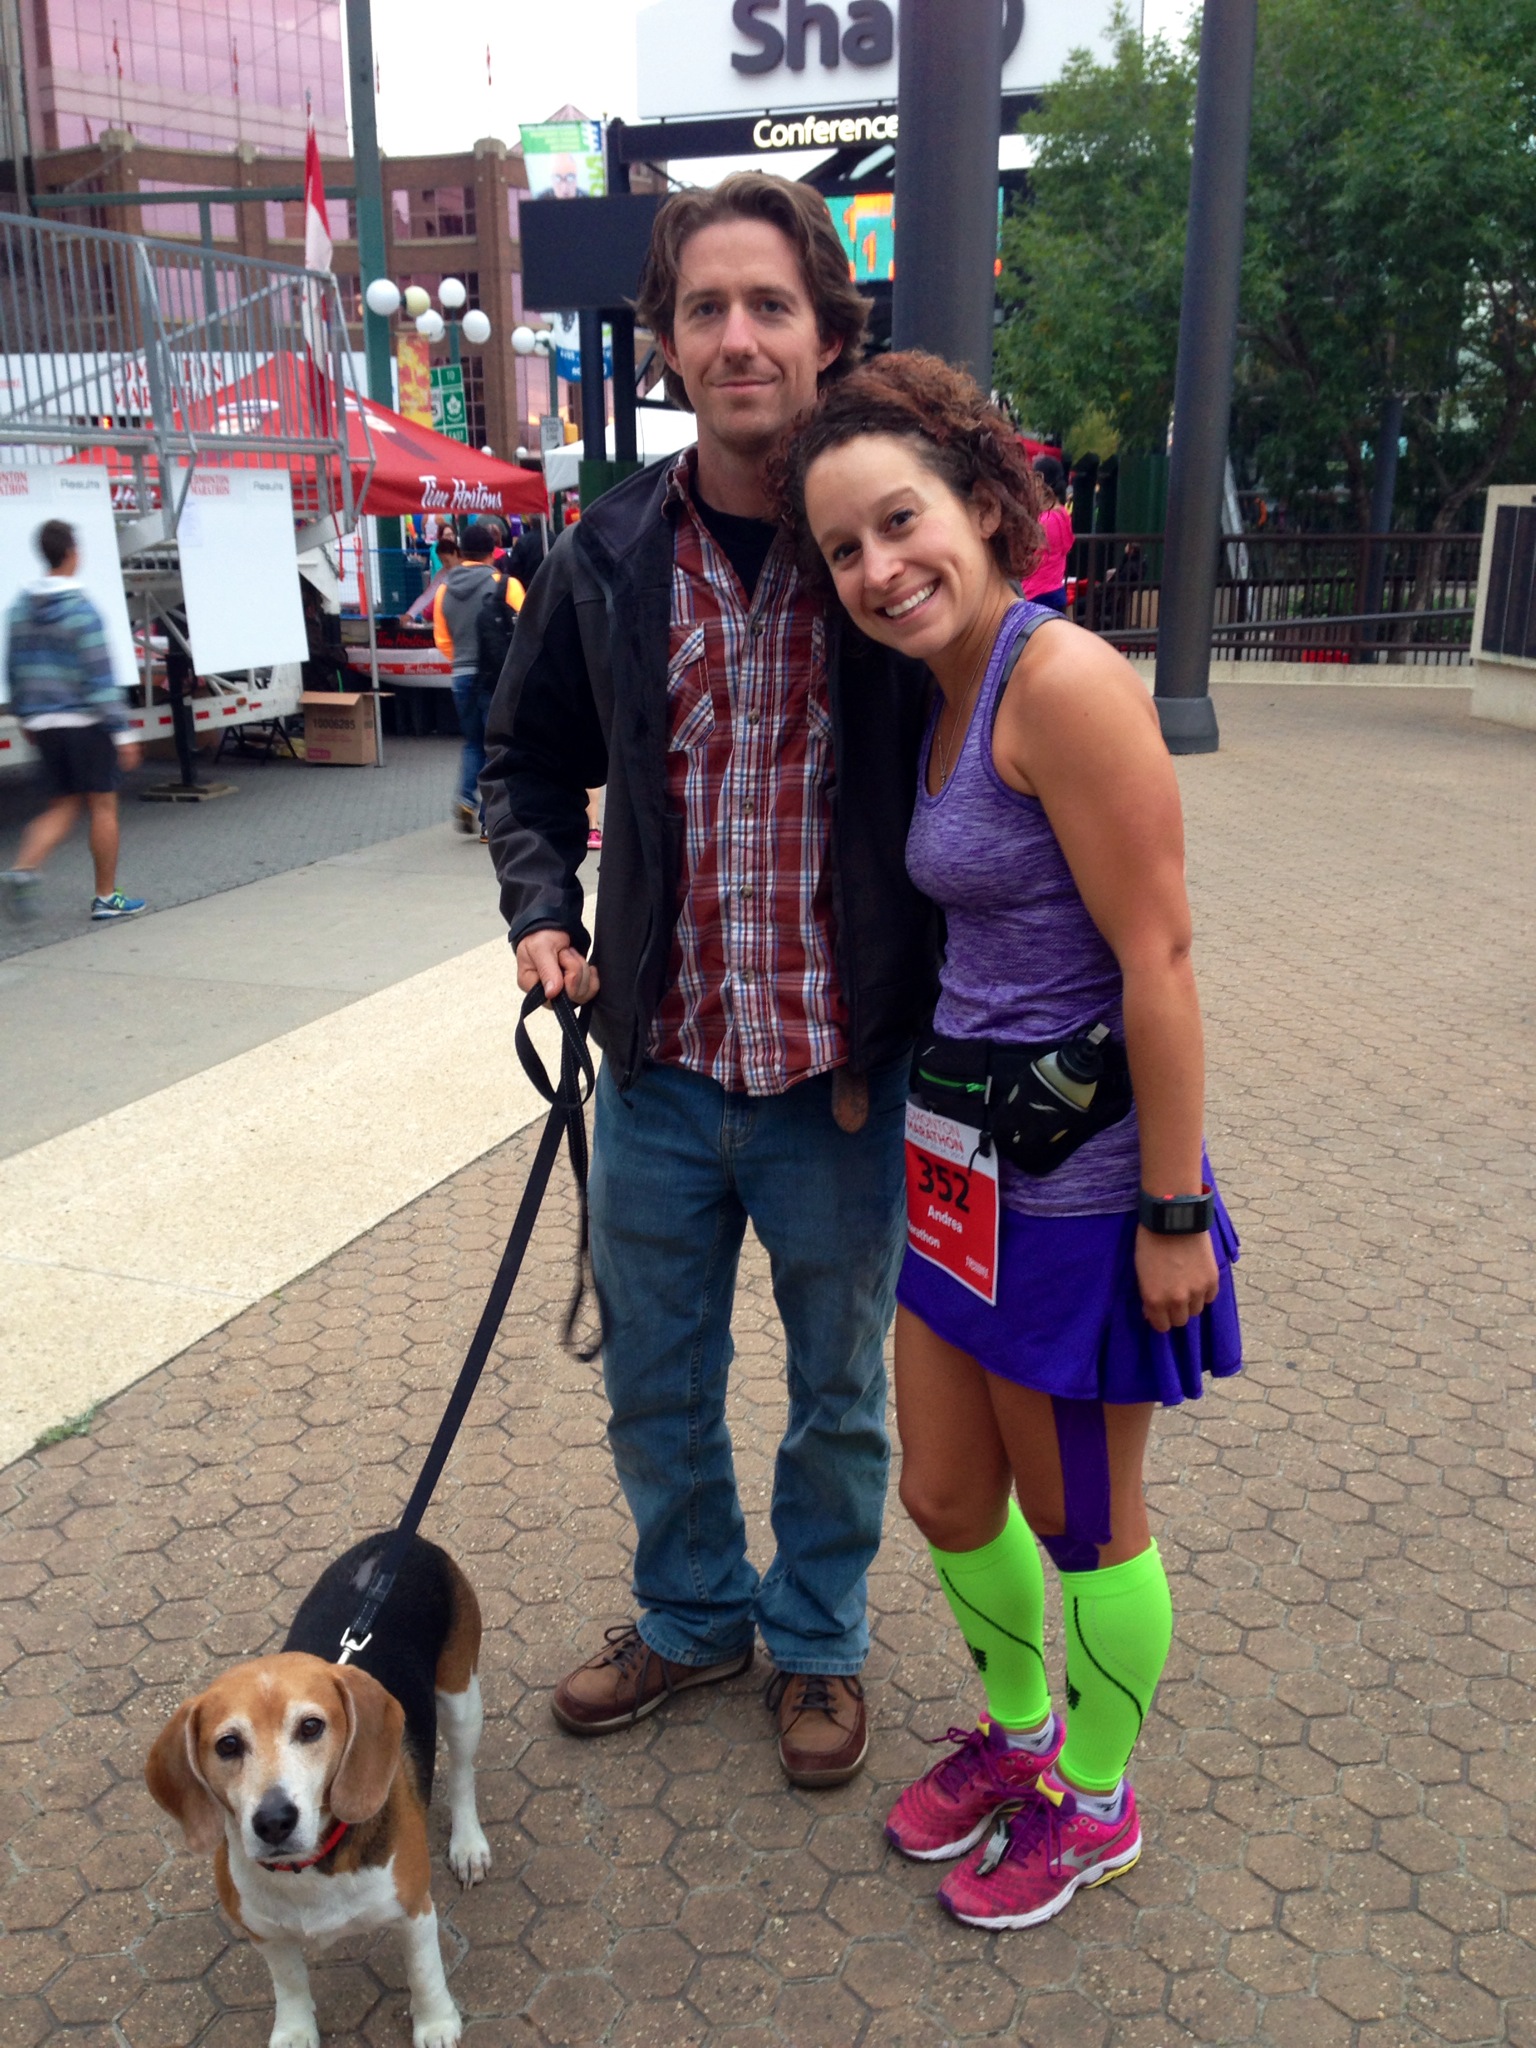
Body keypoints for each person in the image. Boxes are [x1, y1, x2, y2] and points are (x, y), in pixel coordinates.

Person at [481, 173, 938, 1788]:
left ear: (827, 334)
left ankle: (815, 1638)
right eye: (705, 309)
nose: (738, 337)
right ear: (666, 344)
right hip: (661, 1069)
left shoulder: (885, 546)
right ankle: (692, 1616)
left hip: (841, 1081)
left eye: (770, 305)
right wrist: (544, 908)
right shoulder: (606, 549)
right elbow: (524, 761)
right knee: (655, 1383)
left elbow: (992, 739)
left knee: (841, 1392)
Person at [781, 352, 1241, 1925]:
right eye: (845, 548)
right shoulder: (946, 694)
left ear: (983, 506)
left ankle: (1097, 1802)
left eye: (899, 520)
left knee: (1085, 1521)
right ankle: (1025, 1732)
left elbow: (1160, 959)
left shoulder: (1063, 684)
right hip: (959, 1167)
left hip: (1084, 1187)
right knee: (944, 1496)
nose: (877, 567)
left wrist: (1171, 1211)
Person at [0, 518, 146, 923]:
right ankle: (105, 897)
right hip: (86, 722)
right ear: (70, 553)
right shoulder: (82, 611)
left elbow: (13, 669)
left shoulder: (19, 610)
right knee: (103, 806)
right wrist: (122, 733)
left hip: (43, 723)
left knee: (62, 805)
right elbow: (99, 676)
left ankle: (24, 868)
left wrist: (25, 715)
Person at [432, 522, 521, 835]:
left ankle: (465, 797)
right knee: (496, 747)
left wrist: (461, 659)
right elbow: (525, 629)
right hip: (496, 678)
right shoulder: (506, 585)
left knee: (473, 743)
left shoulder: (444, 590)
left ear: (460, 552)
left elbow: (442, 639)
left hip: (461, 677)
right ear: (492, 552)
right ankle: (489, 821)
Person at [1021, 453, 1074, 613]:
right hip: (1055, 590)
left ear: (1041, 482)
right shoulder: (1063, 514)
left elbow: (1025, 554)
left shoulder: (1045, 520)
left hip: (1036, 595)